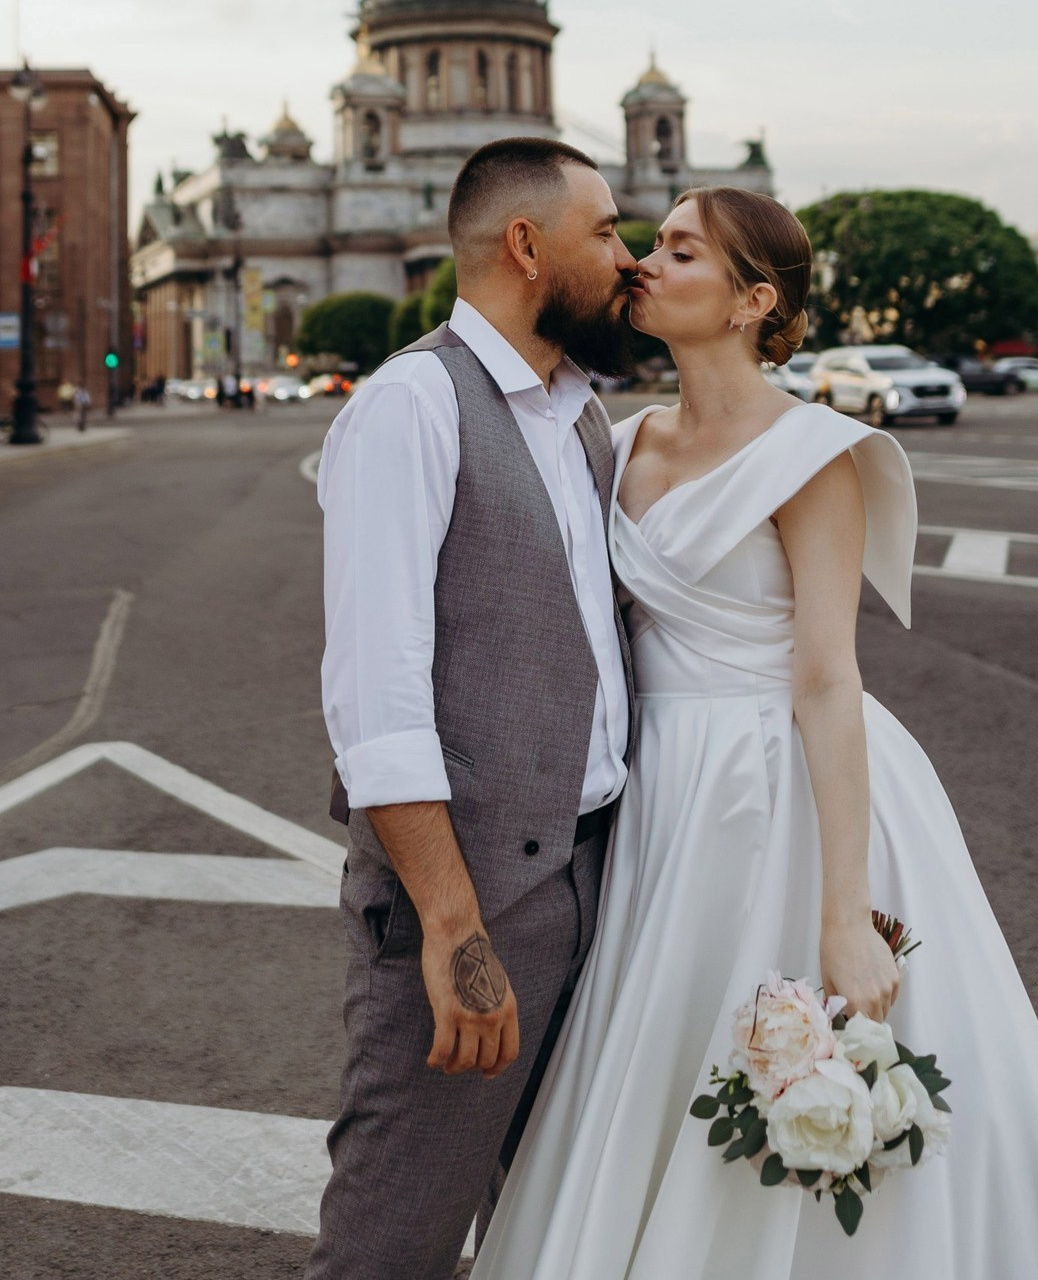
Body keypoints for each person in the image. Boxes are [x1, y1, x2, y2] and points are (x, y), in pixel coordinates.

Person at [471, 188, 1038, 1278]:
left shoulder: (816, 454)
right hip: (660, 802)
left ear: (750, 300)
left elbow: (830, 679)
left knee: (801, 1063)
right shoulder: (624, 435)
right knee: (654, 1062)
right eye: (648, 243)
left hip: (779, 794)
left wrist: (845, 915)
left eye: (679, 250)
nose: (645, 263)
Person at [307, 137, 638, 1280]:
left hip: (598, 877)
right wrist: (453, 926)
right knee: (394, 1236)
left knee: (554, 1230)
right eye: (606, 232)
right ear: (527, 246)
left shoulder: (580, 416)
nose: (627, 257)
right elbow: (376, 697)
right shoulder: (412, 404)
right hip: (475, 899)